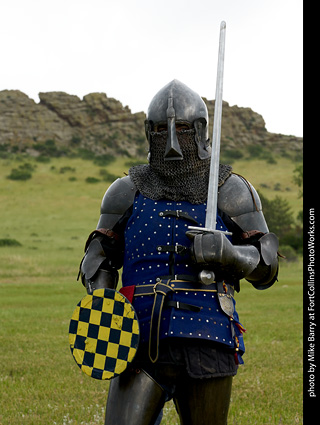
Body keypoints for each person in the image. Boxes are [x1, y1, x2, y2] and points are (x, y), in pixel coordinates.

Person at [79, 80, 279, 425]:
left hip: (208, 334)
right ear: (148, 133)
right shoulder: (125, 190)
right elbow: (98, 255)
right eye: (160, 129)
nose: (171, 140)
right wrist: (102, 300)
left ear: (200, 130)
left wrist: (229, 253)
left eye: (182, 128)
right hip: (137, 335)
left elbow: (267, 265)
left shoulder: (231, 189)